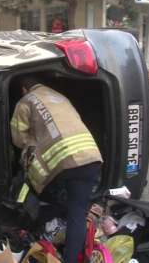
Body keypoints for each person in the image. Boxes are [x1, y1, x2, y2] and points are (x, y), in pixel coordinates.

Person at [10, 76, 103, 263]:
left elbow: (18, 140)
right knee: (78, 214)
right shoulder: (61, 97)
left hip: (60, 163)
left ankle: (37, 235)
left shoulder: (25, 101)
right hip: (91, 158)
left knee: (40, 195)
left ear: (23, 90)